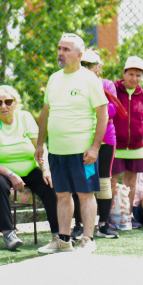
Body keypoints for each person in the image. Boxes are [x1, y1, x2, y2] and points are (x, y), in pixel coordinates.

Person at [35, 33, 109, 253]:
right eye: (59, 48)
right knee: (62, 195)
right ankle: (64, 240)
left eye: (66, 50)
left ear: (79, 54)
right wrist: (40, 144)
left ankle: (87, 239)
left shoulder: (89, 79)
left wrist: (95, 147)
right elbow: (45, 113)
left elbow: (103, 115)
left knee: (86, 195)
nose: (60, 53)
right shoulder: (53, 78)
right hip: (57, 151)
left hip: (82, 153)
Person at [0, 85, 59, 250]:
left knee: (50, 183)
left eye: (8, 102)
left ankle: (58, 234)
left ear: (15, 103)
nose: (3, 106)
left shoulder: (25, 118)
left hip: (28, 169)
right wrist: (10, 174)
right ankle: (8, 234)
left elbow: (40, 147)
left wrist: (46, 169)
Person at [72, 49, 124, 239]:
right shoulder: (74, 84)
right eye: (83, 64)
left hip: (105, 139)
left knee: (104, 180)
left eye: (90, 65)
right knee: (80, 180)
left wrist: (90, 110)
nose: (86, 68)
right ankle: (79, 224)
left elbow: (111, 110)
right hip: (81, 138)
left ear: (98, 67)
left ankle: (104, 223)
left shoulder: (107, 85)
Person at [113, 56, 143, 230]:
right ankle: (111, 216)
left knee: (131, 182)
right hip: (115, 146)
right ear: (124, 73)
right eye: (131, 74)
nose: (134, 78)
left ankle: (127, 216)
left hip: (136, 147)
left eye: (138, 75)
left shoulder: (142, 95)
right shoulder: (113, 90)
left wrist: (141, 132)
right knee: (112, 181)